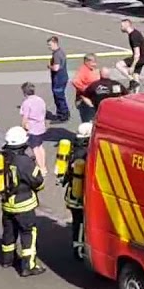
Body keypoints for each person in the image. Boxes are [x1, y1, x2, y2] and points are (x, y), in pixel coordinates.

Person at [0, 126, 47, 277]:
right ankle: (28, 266)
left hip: (7, 203)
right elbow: (38, 181)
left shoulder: (1, 158)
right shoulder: (24, 161)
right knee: (28, 233)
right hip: (23, 205)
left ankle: (8, 260)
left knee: (9, 232)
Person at [60, 121, 93, 260]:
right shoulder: (86, 153)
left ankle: (78, 246)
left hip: (72, 192)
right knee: (80, 223)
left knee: (77, 222)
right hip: (80, 195)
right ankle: (79, 249)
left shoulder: (72, 148)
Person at [18, 82, 48, 174]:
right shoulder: (40, 100)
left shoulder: (26, 103)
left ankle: (41, 168)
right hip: (41, 127)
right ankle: (44, 165)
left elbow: (25, 117)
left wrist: (23, 127)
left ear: (24, 92)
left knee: (35, 148)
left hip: (33, 128)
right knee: (40, 146)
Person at [116, 19, 144, 93]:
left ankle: (132, 81)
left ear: (127, 25)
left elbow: (137, 53)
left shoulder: (133, 36)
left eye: (122, 26)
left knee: (118, 65)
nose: (121, 28)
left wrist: (132, 66)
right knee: (136, 75)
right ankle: (136, 94)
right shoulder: (134, 33)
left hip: (139, 58)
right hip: (143, 58)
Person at [47, 36, 70, 123]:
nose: (49, 47)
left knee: (59, 97)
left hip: (58, 79)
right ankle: (64, 113)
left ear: (55, 43)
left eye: (50, 45)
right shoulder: (61, 52)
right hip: (62, 78)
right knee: (61, 97)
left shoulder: (56, 54)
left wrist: (50, 66)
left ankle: (62, 115)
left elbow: (56, 68)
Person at [72, 53, 99, 123]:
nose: (95, 64)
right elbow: (75, 81)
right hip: (84, 102)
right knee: (88, 121)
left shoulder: (91, 69)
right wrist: (87, 90)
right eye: (93, 62)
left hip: (93, 99)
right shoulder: (83, 71)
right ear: (87, 62)